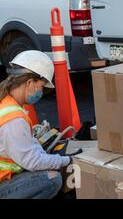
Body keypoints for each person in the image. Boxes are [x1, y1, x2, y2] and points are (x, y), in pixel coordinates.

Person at [0, 50, 71, 199]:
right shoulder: (14, 119)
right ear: (30, 83)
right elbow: (32, 162)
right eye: (41, 86)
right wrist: (66, 160)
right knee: (51, 179)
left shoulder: (5, 100)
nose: (41, 91)